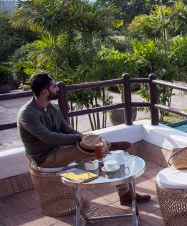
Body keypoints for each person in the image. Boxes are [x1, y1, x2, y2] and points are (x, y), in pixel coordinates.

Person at [17, 72, 151, 205]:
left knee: (110, 156)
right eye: (54, 87)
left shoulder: (52, 109)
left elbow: (67, 130)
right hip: (46, 157)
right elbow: (49, 137)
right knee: (97, 151)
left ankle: (105, 151)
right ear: (45, 92)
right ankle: (103, 146)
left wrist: (84, 137)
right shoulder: (27, 114)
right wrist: (82, 138)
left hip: (61, 150)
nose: (57, 89)